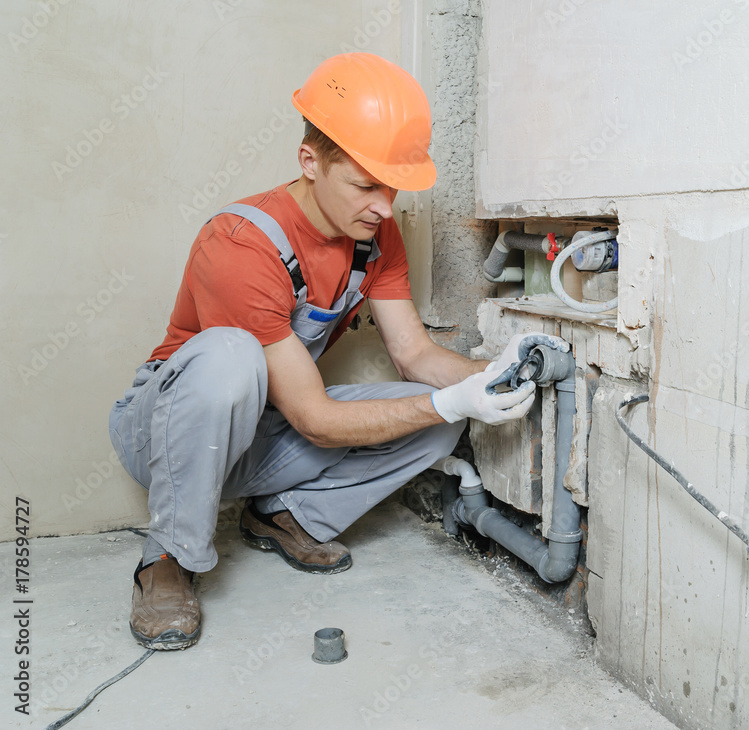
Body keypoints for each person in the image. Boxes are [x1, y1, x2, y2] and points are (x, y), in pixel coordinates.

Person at [108, 52, 566, 651]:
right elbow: (318, 421)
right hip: (167, 434)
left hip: (265, 432)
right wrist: (454, 401)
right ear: (310, 162)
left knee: (434, 417)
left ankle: (285, 515)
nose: (384, 205)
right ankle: (168, 556)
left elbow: (415, 355)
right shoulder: (240, 244)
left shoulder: (374, 236)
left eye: (393, 188)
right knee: (230, 356)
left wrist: (490, 377)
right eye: (365, 184)